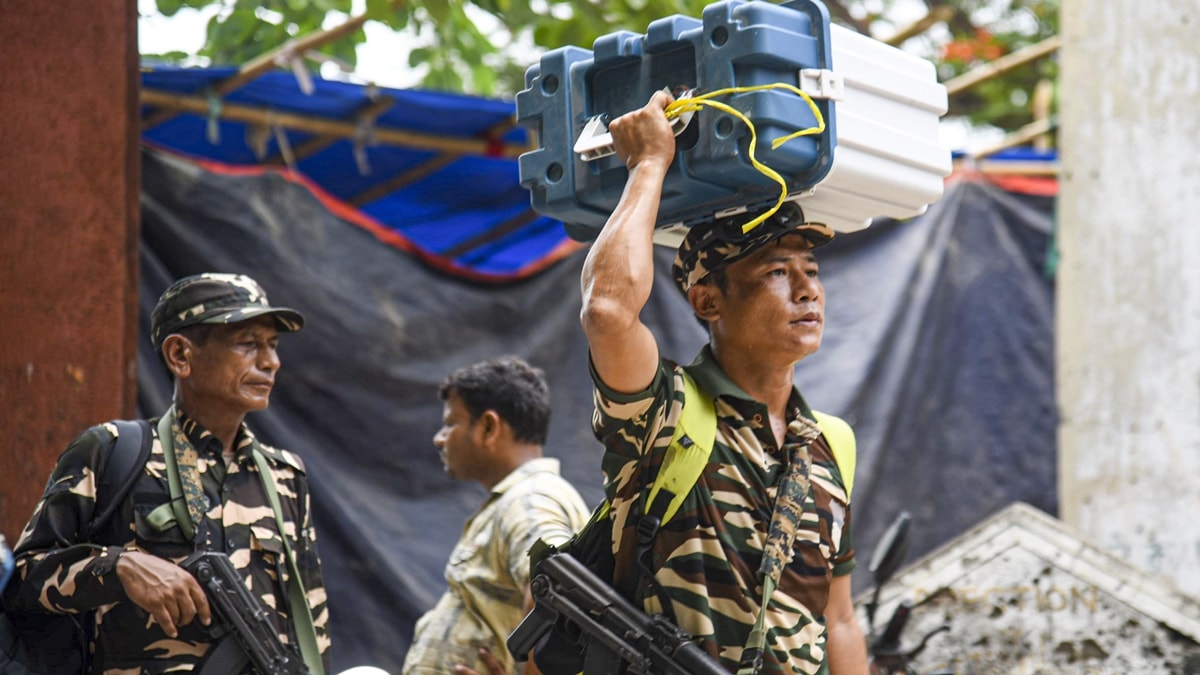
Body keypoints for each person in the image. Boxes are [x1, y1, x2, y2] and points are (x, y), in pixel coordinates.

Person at [577, 91, 869, 674]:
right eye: (776, 272)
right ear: (708, 301)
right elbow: (607, 311)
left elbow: (837, 618)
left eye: (811, 271)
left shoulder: (830, 442)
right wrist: (649, 164)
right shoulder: (666, 411)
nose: (807, 290)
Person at [3, 272, 331, 673]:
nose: (270, 362)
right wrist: (119, 567)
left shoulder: (285, 477)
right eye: (248, 344)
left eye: (273, 345)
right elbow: (21, 582)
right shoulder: (112, 452)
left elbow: (311, 623)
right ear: (180, 356)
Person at [402, 356, 590, 675]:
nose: (439, 438)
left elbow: (557, 586)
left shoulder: (530, 498)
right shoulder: (517, 499)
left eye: (451, 423)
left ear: (489, 426)